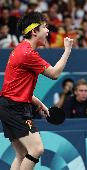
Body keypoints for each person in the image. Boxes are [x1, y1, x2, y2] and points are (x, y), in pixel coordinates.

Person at [0, 12, 73, 170]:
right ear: (34, 32)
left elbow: (15, 89)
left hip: (10, 106)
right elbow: (54, 74)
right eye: (45, 27)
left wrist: (40, 104)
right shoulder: (27, 54)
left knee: (22, 154)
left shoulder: (21, 49)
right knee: (36, 149)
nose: (48, 31)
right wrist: (67, 50)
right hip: (14, 109)